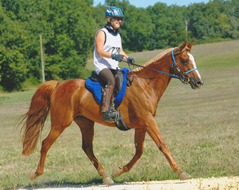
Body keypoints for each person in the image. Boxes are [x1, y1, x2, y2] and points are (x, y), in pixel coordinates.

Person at [94, 6, 135, 123]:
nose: (119, 21)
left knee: (122, 81)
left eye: (120, 19)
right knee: (111, 81)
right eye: (117, 18)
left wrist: (128, 58)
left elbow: (120, 51)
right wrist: (113, 56)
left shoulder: (117, 35)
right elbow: (99, 51)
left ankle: (117, 108)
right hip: (102, 66)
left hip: (114, 66)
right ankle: (106, 111)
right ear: (109, 19)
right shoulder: (102, 33)